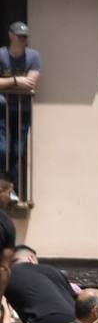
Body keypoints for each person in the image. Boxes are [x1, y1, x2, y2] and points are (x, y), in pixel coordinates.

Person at [0, 22, 40, 194]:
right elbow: (24, 82)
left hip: (23, 110)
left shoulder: (33, 56)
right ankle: (2, 185)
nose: (23, 39)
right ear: (11, 35)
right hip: (3, 108)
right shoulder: (1, 54)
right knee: (2, 148)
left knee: (18, 150)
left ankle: (13, 188)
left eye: (25, 36)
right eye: (19, 36)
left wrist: (5, 83)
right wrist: (17, 81)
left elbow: (31, 83)